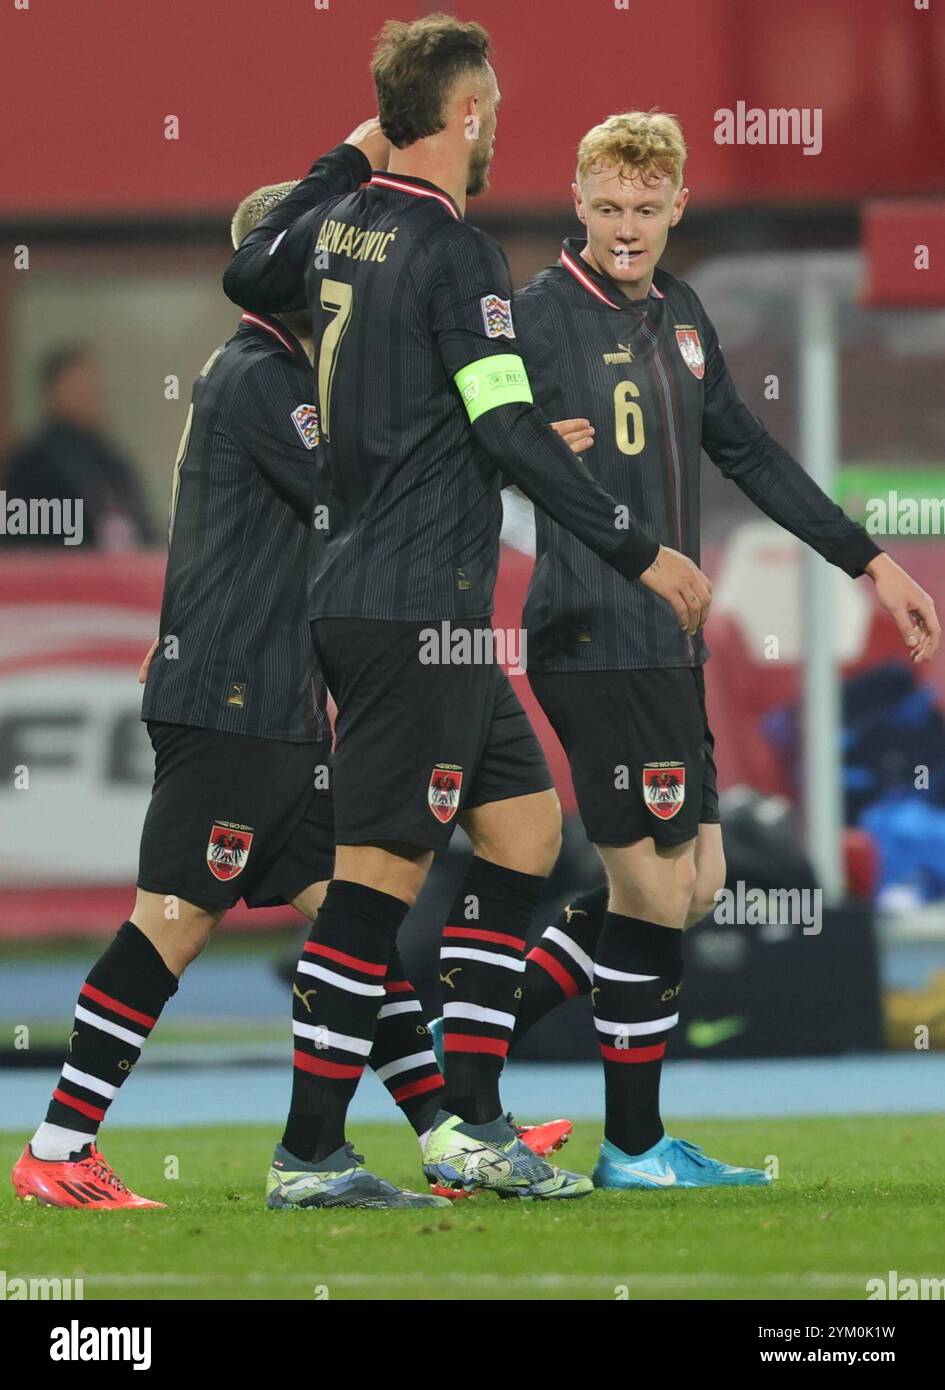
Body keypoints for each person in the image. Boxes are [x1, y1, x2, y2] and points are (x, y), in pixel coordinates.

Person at [223, 17, 709, 1201]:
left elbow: (248, 273)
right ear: (469, 114)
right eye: (491, 103)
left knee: (525, 830)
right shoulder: (456, 251)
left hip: (404, 603)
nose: (498, 121)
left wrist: (344, 159)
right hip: (409, 603)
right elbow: (498, 419)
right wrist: (639, 548)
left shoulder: (339, 227)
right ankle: (309, 1152)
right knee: (378, 878)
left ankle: (470, 1121)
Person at [453, 109, 938, 1191]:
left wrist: (871, 562)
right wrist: (531, 460)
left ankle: (467, 1044)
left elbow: (753, 454)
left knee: (696, 882)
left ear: (677, 207)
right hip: (591, 634)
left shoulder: (681, 313)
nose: (627, 229)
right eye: (609, 207)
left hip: (664, 644)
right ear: (578, 201)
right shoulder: (533, 316)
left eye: (647, 209)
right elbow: (474, 442)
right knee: (659, 893)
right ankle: (617, 1141)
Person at [11, 133, 464, 1212]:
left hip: (274, 703)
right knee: (172, 919)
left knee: (356, 924)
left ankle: (451, 1131)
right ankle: (60, 1148)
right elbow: (350, 496)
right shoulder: (266, 377)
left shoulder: (275, 370)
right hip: (237, 704)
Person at [2, 344, 154, 550]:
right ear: (53, 392)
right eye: (78, 388)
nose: (90, 397)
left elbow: (142, 526)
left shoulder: (111, 459)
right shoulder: (30, 465)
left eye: (94, 389)